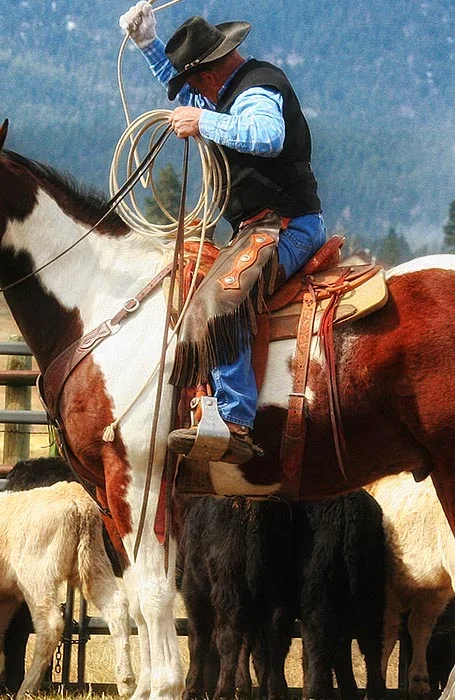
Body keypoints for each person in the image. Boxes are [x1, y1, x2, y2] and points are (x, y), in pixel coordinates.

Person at [120, 2, 326, 464]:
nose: (190, 93)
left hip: (288, 225)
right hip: (260, 227)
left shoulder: (258, 89)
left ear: (210, 73)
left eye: (193, 81)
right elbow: (193, 104)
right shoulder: (222, 92)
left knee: (220, 297)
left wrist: (203, 122)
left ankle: (234, 421)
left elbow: (265, 135)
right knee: (194, 276)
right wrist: (149, 45)